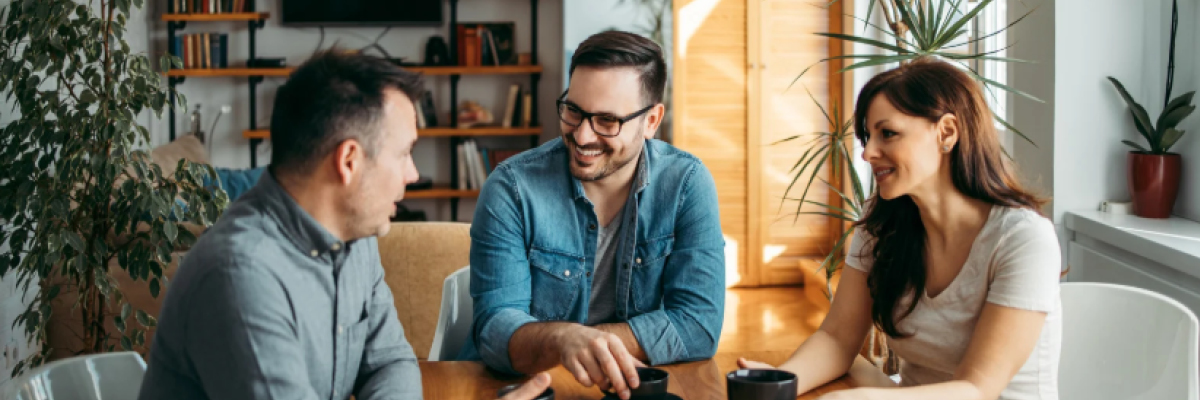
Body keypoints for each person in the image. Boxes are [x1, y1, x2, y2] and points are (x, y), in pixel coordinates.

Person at [738, 58, 1062, 400]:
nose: (868, 153)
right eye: (868, 136)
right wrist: (779, 385)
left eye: (887, 133)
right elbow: (838, 338)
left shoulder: (1023, 239)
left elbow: (976, 389)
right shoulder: (882, 223)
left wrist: (857, 398)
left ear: (947, 132)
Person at [138, 50, 426, 400]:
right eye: (403, 153)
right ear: (348, 160)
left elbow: (390, 362)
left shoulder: (353, 236)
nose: (413, 174)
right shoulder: (239, 275)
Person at [461, 30, 726, 400]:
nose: (582, 136)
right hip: (525, 390)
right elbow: (494, 331)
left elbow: (698, 324)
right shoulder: (512, 187)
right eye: (573, 111)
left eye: (606, 120)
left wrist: (588, 344)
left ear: (652, 120)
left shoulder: (686, 184)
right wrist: (563, 340)